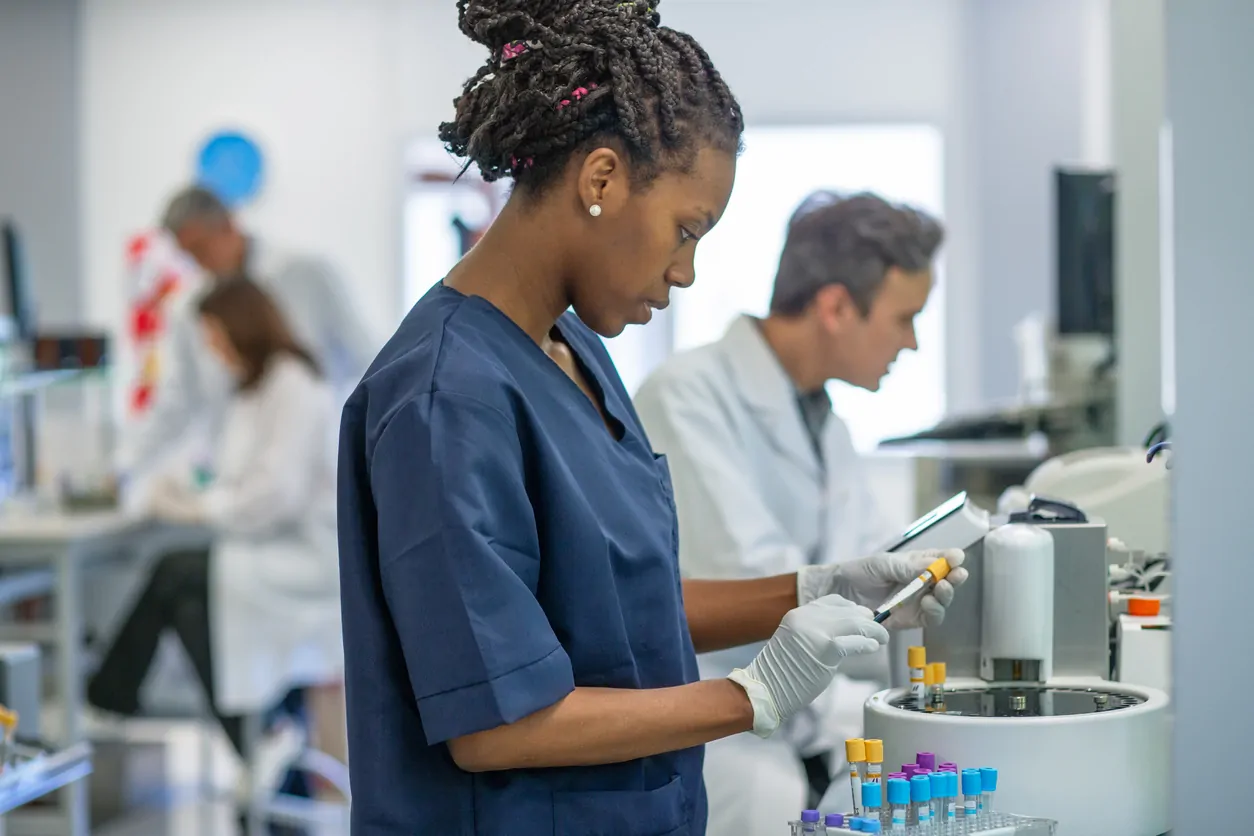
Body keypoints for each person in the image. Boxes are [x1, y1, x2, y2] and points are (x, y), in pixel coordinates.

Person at [336, 3, 967, 834]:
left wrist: (814, 588)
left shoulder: (572, 351)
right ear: (600, 180)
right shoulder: (445, 396)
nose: (687, 272)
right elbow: (497, 725)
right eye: (685, 230)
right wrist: (752, 695)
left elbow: (617, 611)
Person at [632, 191, 950, 833]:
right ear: (835, 306)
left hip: (806, 734)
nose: (912, 342)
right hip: (728, 745)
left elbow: (869, 567)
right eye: (904, 317)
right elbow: (758, 584)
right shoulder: (688, 395)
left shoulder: (825, 422)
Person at [89, 278, 344, 806]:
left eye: (214, 336)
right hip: (263, 552)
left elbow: (275, 494)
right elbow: (233, 476)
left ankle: (108, 695)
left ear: (242, 327)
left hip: (302, 563)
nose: (212, 349)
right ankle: (263, 742)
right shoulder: (251, 389)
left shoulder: (294, 384)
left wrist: (194, 507)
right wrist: (190, 489)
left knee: (177, 573)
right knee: (185, 599)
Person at [117, 184, 377, 481]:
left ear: (229, 225)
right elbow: (175, 401)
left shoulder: (303, 274)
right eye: (188, 255)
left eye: (201, 248)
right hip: (235, 479)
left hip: (312, 473)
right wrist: (125, 465)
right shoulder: (189, 307)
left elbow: (368, 360)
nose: (199, 263)